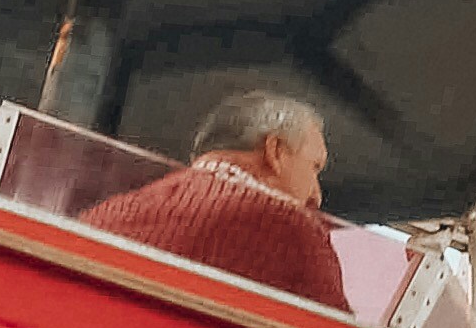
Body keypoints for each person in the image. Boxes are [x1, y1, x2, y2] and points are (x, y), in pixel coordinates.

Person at [86, 89, 348, 308]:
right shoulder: (294, 233)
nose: (317, 195)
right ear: (275, 151)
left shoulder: (106, 214)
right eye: (315, 167)